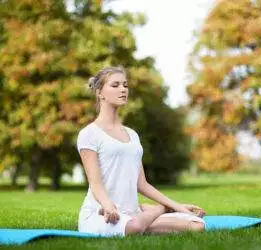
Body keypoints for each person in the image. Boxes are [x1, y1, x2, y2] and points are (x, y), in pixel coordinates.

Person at [76, 66, 206, 237]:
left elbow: (142, 184)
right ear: (100, 93)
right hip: (100, 214)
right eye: (115, 85)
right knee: (135, 228)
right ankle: (159, 210)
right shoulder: (89, 134)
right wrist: (108, 205)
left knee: (197, 225)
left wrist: (178, 206)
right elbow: (95, 183)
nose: (123, 89)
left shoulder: (132, 135)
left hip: (133, 214)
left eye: (125, 85)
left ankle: (150, 214)